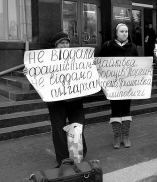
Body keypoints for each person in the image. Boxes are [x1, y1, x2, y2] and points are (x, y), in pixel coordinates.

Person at [25, 32, 88, 167]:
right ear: (55, 46)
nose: (65, 46)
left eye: (67, 43)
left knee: (77, 127)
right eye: (61, 43)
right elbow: (38, 72)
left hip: (75, 100)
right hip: (56, 102)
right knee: (58, 129)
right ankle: (63, 158)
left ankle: (77, 154)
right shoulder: (46, 59)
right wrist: (29, 71)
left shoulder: (78, 58)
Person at [96, 23, 138, 149]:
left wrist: (147, 67)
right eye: (121, 31)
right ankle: (116, 137)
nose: (124, 33)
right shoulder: (108, 46)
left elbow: (137, 64)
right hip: (113, 86)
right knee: (115, 110)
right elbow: (100, 62)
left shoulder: (133, 47)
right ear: (116, 33)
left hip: (127, 85)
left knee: (126, 109)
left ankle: (125, 136)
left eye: (126, 31)